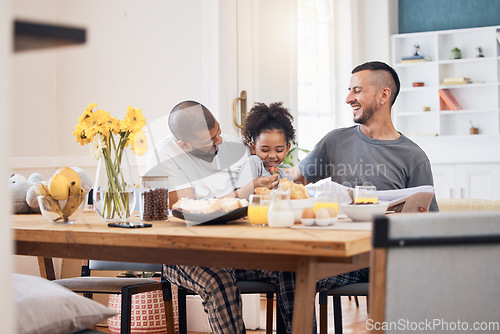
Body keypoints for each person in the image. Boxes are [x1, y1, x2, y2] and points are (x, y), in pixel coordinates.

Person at [280, 61, 439, 333]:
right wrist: (263, 170)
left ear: (383, 95)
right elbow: (293, 179)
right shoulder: (335, 142)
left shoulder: (413, 156)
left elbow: (431, 222)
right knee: (291, 271)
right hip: (344, 259)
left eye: (356, 90)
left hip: (389, 260)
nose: (348, 98)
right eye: (349, 90)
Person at [145, 100, 280, 334]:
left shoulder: (231, 145)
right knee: (218, 282)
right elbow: (190, 212)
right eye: (210, 140)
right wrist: (245, 190)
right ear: (183, 145)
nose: (219, 141)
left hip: (235, 248)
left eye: (217, 131)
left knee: (288, 268)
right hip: (184, 252)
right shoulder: (162, 157)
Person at [241, 101, 295, 181]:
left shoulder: (285, 178)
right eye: (265, 150)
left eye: (279, 150)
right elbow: (242, 191)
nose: (272, 156)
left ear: (287, 149)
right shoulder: (254, 163)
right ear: (253, 147)